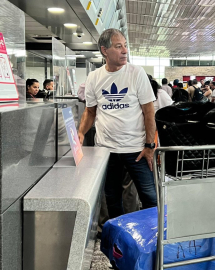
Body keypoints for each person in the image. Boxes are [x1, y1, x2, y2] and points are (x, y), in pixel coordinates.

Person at [77, 28, 157, 219]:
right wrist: (80, 133)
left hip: (136, 150)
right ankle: (117, 240)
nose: (124, 51)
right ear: (105, 50)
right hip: (106, 150)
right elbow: (90, 111)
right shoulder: (94, 77)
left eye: (125, 46)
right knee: (112, 198)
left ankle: (149, 238)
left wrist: (149, 145)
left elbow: (149, 112)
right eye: (118, 46)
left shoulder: (136, 73)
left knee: (150, 197)